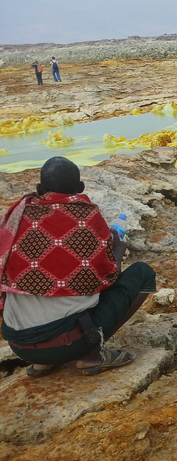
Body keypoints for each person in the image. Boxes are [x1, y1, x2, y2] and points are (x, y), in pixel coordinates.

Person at [0, 156, 156, 377]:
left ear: (39, 188)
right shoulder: (85, 217)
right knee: (143, 273)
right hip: (68, 342)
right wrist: (117, 250)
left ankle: (42, 363)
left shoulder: (16, 217)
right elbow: (108, 279)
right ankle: (91, 354)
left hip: (18, 343)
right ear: (80, 188)